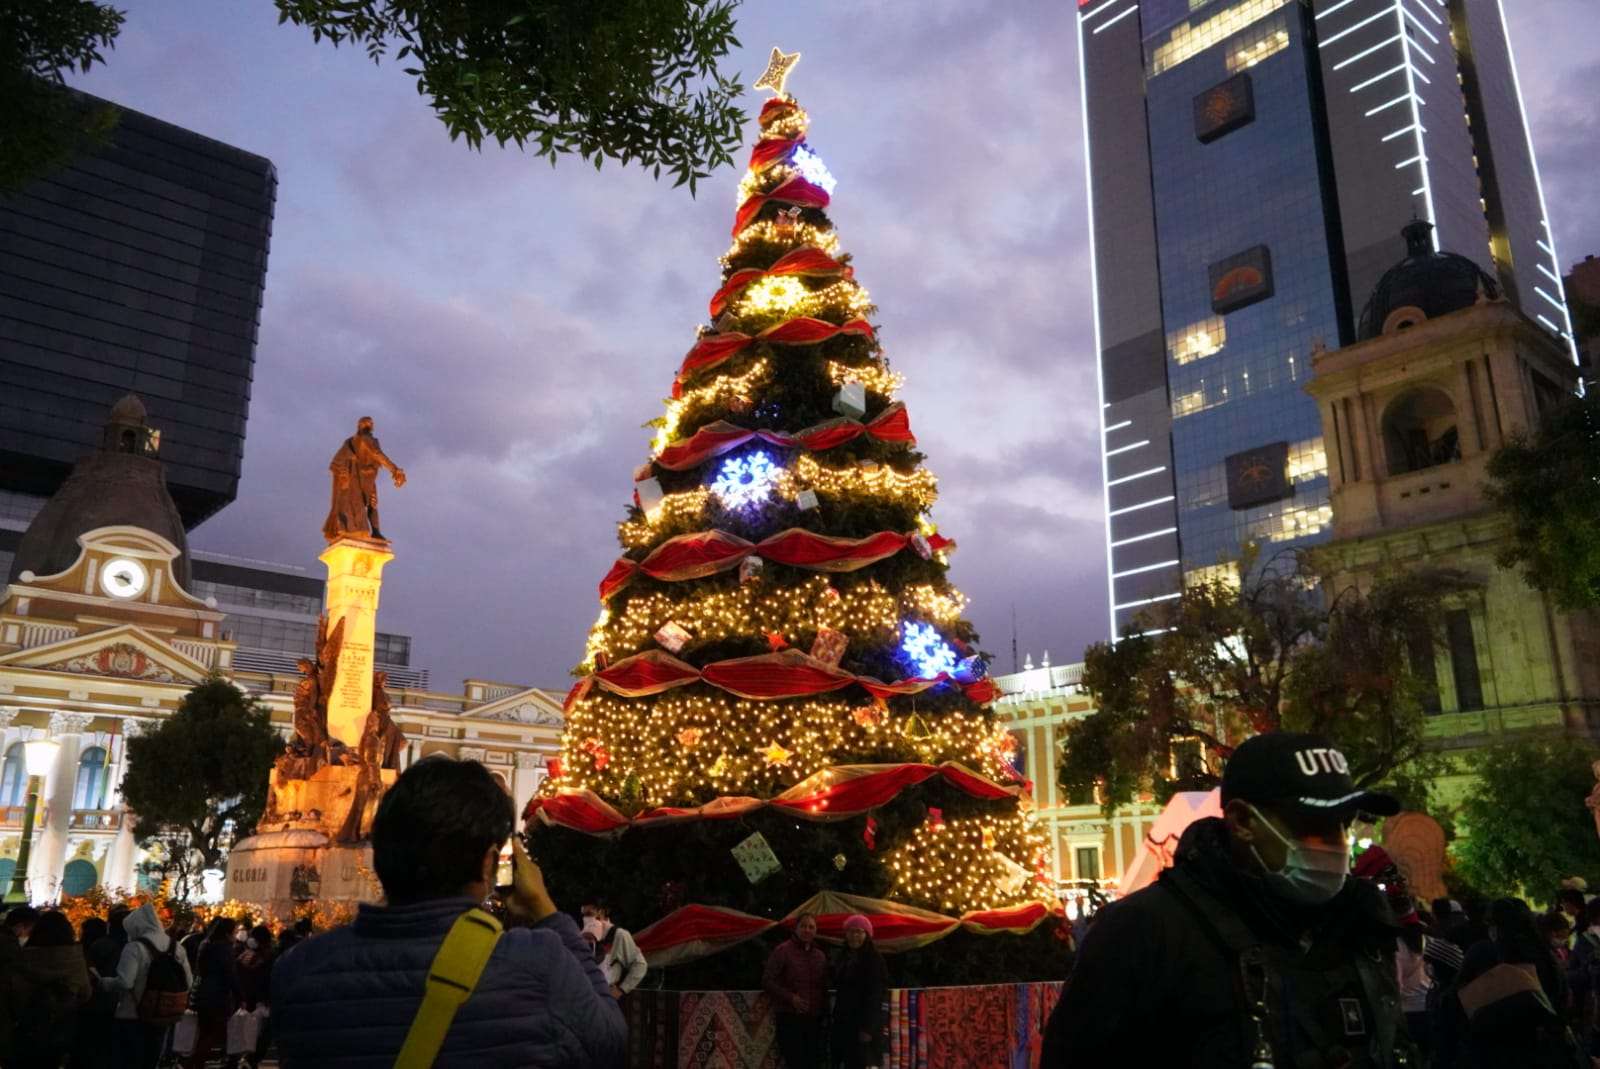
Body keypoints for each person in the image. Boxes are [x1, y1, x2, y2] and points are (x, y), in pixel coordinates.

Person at [1039, 731, 1410, 1069]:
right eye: (1312, 825)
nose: (1338, 844)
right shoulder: (1144, 931)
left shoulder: (1363, 925)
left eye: (1344, 823)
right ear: (1242, 821)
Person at [271, 756, 625, 1067]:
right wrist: (545, 909)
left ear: (381, 852)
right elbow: (609, 1043)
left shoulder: (298, 969)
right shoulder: (535, 963)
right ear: (489, 862)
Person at [1433, 897, 1579, 1068]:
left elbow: (1453, 1006)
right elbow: (1560, 1010)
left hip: (1488, 1055)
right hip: (1541, 1056)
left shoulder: (1484, 954)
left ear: (1496, 926)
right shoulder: (1547, 960)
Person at [101, 901, 194, 1069]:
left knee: (128, 1060)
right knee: (151, 1059)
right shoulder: (177, 947)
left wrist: (105, 983)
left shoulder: (134, 948)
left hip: (132, 1014)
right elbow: (188, 982)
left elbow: (125, 982)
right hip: (163, 1014)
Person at [3, 909, 92, 1069]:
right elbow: (85, 994)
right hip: (56, 1035)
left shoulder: (21, 959)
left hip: (22, 1034)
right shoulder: (75, 960)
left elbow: (9, 996)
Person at [323, 416, 405, 542]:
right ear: (369, 426)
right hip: (361, 477)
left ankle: (375, 532)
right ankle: (374, 531)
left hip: (363, 476)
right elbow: (377, 454)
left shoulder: (352, 441)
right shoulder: (366, 439)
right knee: (372, 504)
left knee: (371, 503)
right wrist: (394, 470)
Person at [763, 913, 828, 1069]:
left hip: (814, 1020)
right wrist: (790, 997)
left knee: (814, 1063)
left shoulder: (820, 956)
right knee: (797, 1063)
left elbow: (823, 986)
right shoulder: (783, 950)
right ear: (796, 929)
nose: (807, 930)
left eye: (811, 927)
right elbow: (767, 980)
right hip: (789, 1018)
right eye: (803, 926)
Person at [830, 915, 888, 1069]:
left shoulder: (874, 960)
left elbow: (876, 995)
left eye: (859, 932)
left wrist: (868, 1028)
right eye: (850, 932)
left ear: (867, 935)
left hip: (862, 1025)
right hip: (844, 1023)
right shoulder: (843, 958)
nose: (854, 936)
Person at [185, 916, 242, 1069]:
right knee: (213, 1032)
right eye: (234, 932)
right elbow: (230, 974)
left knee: (206, 1031)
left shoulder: (206, 944)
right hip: (216, 996)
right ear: (227, 933)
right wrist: (240, 995)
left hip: (202, 993)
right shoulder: (223, 949)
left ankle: (197, 1061)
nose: (235, 936)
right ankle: (196, 1061)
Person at [581, 900, 648, 999]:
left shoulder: (619, 935)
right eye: (583, 915)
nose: (586, 919)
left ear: (601, 912)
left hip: (606, 997)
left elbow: (640, 964)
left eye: (589, 914)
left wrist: (621, 989)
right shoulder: (583, 936)